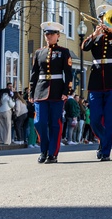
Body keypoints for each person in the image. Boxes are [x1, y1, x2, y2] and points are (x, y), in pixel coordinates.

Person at [81, 4, 112, 160]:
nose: (106, 22)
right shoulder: (95, 36)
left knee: (111, 118)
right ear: (100, 20)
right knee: (94, 119)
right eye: (103, 19)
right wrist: (94, 34)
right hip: (96, 81)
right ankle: (104, 140)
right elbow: (84, 47)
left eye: (108, 19)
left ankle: (105, 151)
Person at [29, 21, 74, 164]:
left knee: (55, 123)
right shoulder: (38, 52)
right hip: (40, 91)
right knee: (39, 122)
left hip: (57, 91)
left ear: (58, 35)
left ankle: (52, 153)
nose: (48, 36)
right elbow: (34, 74)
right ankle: (44, 148)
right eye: (46, 33)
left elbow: (68, 73)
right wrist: (31, 92)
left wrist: (67, 91)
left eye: (51, 34)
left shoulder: (63, 52)